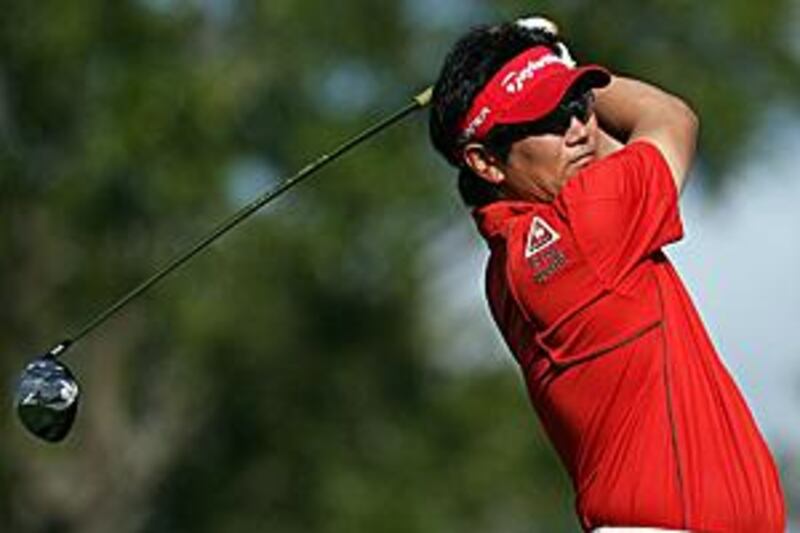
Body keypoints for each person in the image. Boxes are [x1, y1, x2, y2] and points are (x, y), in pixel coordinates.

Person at [428, 16, 786, 533]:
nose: (577, 128)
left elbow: (614, 150)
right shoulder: (588, 228)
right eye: (544, 120)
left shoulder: (513, 260)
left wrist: (547, 69)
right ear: (485, 163)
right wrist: (560, 59)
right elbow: (669, 118)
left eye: (576, 105)